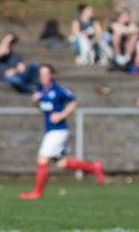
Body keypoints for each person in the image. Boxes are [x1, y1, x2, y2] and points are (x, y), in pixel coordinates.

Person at [18, 64, 106, 199]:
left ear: (51, 75)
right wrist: (35, 102)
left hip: (58, 130)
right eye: (41, 75)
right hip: (50, 130)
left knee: (42, 158)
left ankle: (37, 192)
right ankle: (94, 167)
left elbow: (73, 102)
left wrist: (61, 115)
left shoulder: (59, 90)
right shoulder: (40, 91)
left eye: (46, 74)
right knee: (61, 163)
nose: (44, 77)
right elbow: (42, 108)